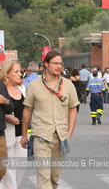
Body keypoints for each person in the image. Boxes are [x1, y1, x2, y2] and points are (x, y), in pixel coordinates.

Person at [20, 50, 79, 189]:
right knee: (43, 177)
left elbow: (73, 108)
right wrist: (24, 135)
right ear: (46, 64)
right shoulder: (34, 86)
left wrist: (69, 132)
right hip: (41, 136)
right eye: (55, 63)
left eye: (60, 63)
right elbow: (27, 110)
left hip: (61, 137)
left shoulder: (68, 85)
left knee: (54, 178)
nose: (59, 66)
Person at [0, 58, 25, 188]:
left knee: (21, 166)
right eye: (16, 72)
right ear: (7, 73)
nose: (20, 74)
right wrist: (7, 118)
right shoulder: (2, 89)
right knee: (8, 171)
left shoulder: (23, 88)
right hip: (7, 134)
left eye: (19, 71)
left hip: (22, 135)